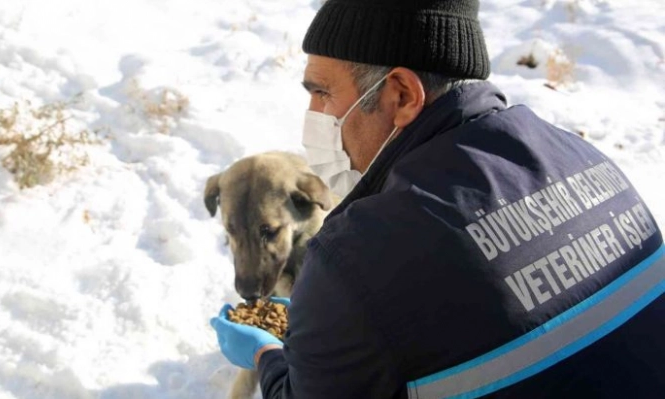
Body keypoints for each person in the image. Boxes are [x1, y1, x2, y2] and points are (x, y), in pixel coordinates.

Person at [210, 0, 665, 397]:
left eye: (322, 92)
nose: (314, 116)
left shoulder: (356, 258)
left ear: (403, 95)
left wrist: (268, 355)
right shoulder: (584, 157)